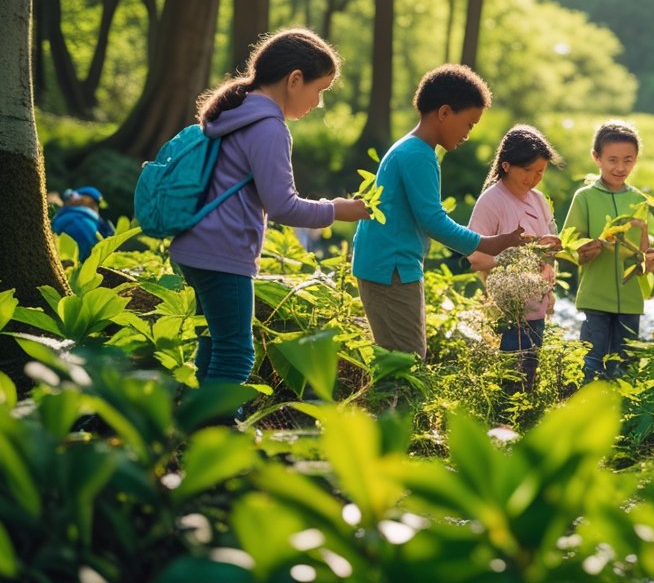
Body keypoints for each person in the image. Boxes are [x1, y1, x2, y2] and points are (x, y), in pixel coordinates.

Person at [169, 28, 370, 392]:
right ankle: (218, 431)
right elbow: (283, 206)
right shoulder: (268, 127)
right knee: (236, 353)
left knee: (214, 342)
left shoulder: (235, 112)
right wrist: (337, 210)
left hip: (193, 245)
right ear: (295, 79)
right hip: (222, 252)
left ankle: (195, 427)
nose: (318, 103)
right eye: (319, 91)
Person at [353, 64, 527, 360]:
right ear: (445, 113)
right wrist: (487, 242)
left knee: (401, 358)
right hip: (390, 269)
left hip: (389, 265)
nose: (468, 134)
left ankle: (388, 406)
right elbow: (432, 220)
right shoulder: (418, 155)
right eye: (469, 124)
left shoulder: (412, 149)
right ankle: (389, 408)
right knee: (405, 360)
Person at [466, 125, 564, 392]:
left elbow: (549, 249)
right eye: (527, 171)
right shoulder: (491, 201)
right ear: (507, 165)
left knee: (528, 380)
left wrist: (548, 254)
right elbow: (475, 258)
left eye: (540, 173)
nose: (533, 179)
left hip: (536, 306)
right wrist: (516, 258)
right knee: (509, 383)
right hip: (508, 310)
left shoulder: (539, 200)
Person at [562, 120, 654, 382]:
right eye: (612, 159)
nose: (620, 167)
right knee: (592, 361)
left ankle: (623, 416)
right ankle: (590, 412)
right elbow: (570, 242)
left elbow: (647, 252)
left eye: (628, 160)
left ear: (636, 160)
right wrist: (588, 248)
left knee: (626, 363)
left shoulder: (639, 200)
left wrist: (647, 244)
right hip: (595, 296)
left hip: (630, 298)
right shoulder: (584, 197)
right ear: (597, 158)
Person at [52, 186, 116, 260]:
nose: (69, 199)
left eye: (73, 195)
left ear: (87, 199)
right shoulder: (94, 223)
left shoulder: (74, 220)